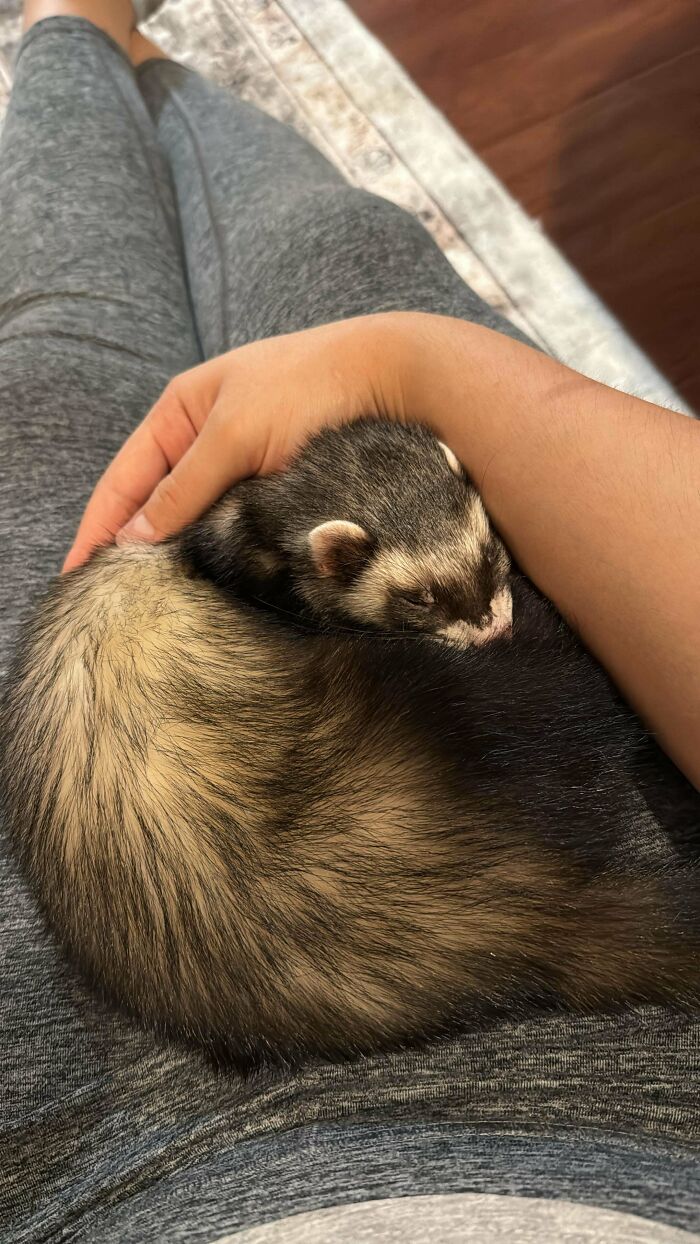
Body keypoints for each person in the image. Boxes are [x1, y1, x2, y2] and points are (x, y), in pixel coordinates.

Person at [0, 2, 697, 1240]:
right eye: (440, 599)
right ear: (338, 561)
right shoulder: (323, 564)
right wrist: (430, 364)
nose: (486, 619)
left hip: (157, 1084)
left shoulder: (275, 571)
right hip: (485, 1019)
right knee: (340, 240)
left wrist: (422, 375)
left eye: (477, 575)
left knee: (65, 332)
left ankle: (85, 39)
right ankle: (143, 63)